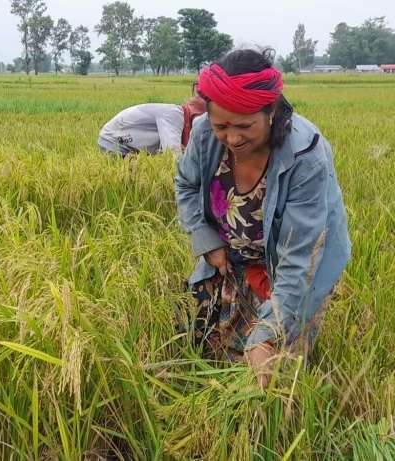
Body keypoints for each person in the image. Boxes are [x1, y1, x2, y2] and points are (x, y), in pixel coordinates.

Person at [174, 49, 351, 387]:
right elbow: (186, 183)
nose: (233, 138)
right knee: (210, 351)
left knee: (274, 364)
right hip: (232, 258)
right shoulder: (203, 134)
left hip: (290, 265)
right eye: (221, 125)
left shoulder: (304, 156)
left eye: (244, 126)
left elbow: (299, 260)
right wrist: (205, 238)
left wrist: (268, 335)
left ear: (271, 111)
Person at [98, 97, 206, 156]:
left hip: (119, 141)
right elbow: (172, 153)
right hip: (113, 143)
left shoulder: (176, 115)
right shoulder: (175, 114)